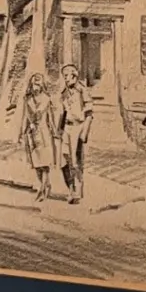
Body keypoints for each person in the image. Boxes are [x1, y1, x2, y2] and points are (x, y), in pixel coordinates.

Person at [57, 62, 94, 204]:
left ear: (74, 76)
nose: (65, 78)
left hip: (78, 127)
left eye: (67, 76)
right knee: (63, 161)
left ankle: (78, 192)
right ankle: (71, 189)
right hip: (66, 128)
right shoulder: (64, 93)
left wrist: (84, 132)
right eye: (64, 76)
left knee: (76, 161)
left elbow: (89, 113)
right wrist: (59, 129)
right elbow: (63, 112)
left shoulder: (82, 90)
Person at [19, 73, 56, 202]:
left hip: (44, 133)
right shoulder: (27, 99)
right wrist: (22, 132)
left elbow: (50, 117)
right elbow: (25, 116)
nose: (36, 87)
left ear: (42, 85)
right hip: (32, 134)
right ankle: (46, 185)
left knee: (45, 163)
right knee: (36, 164)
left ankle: (42, 189)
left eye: (38, 84)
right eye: (34, 84)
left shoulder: (47, 99)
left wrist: (55, 131)